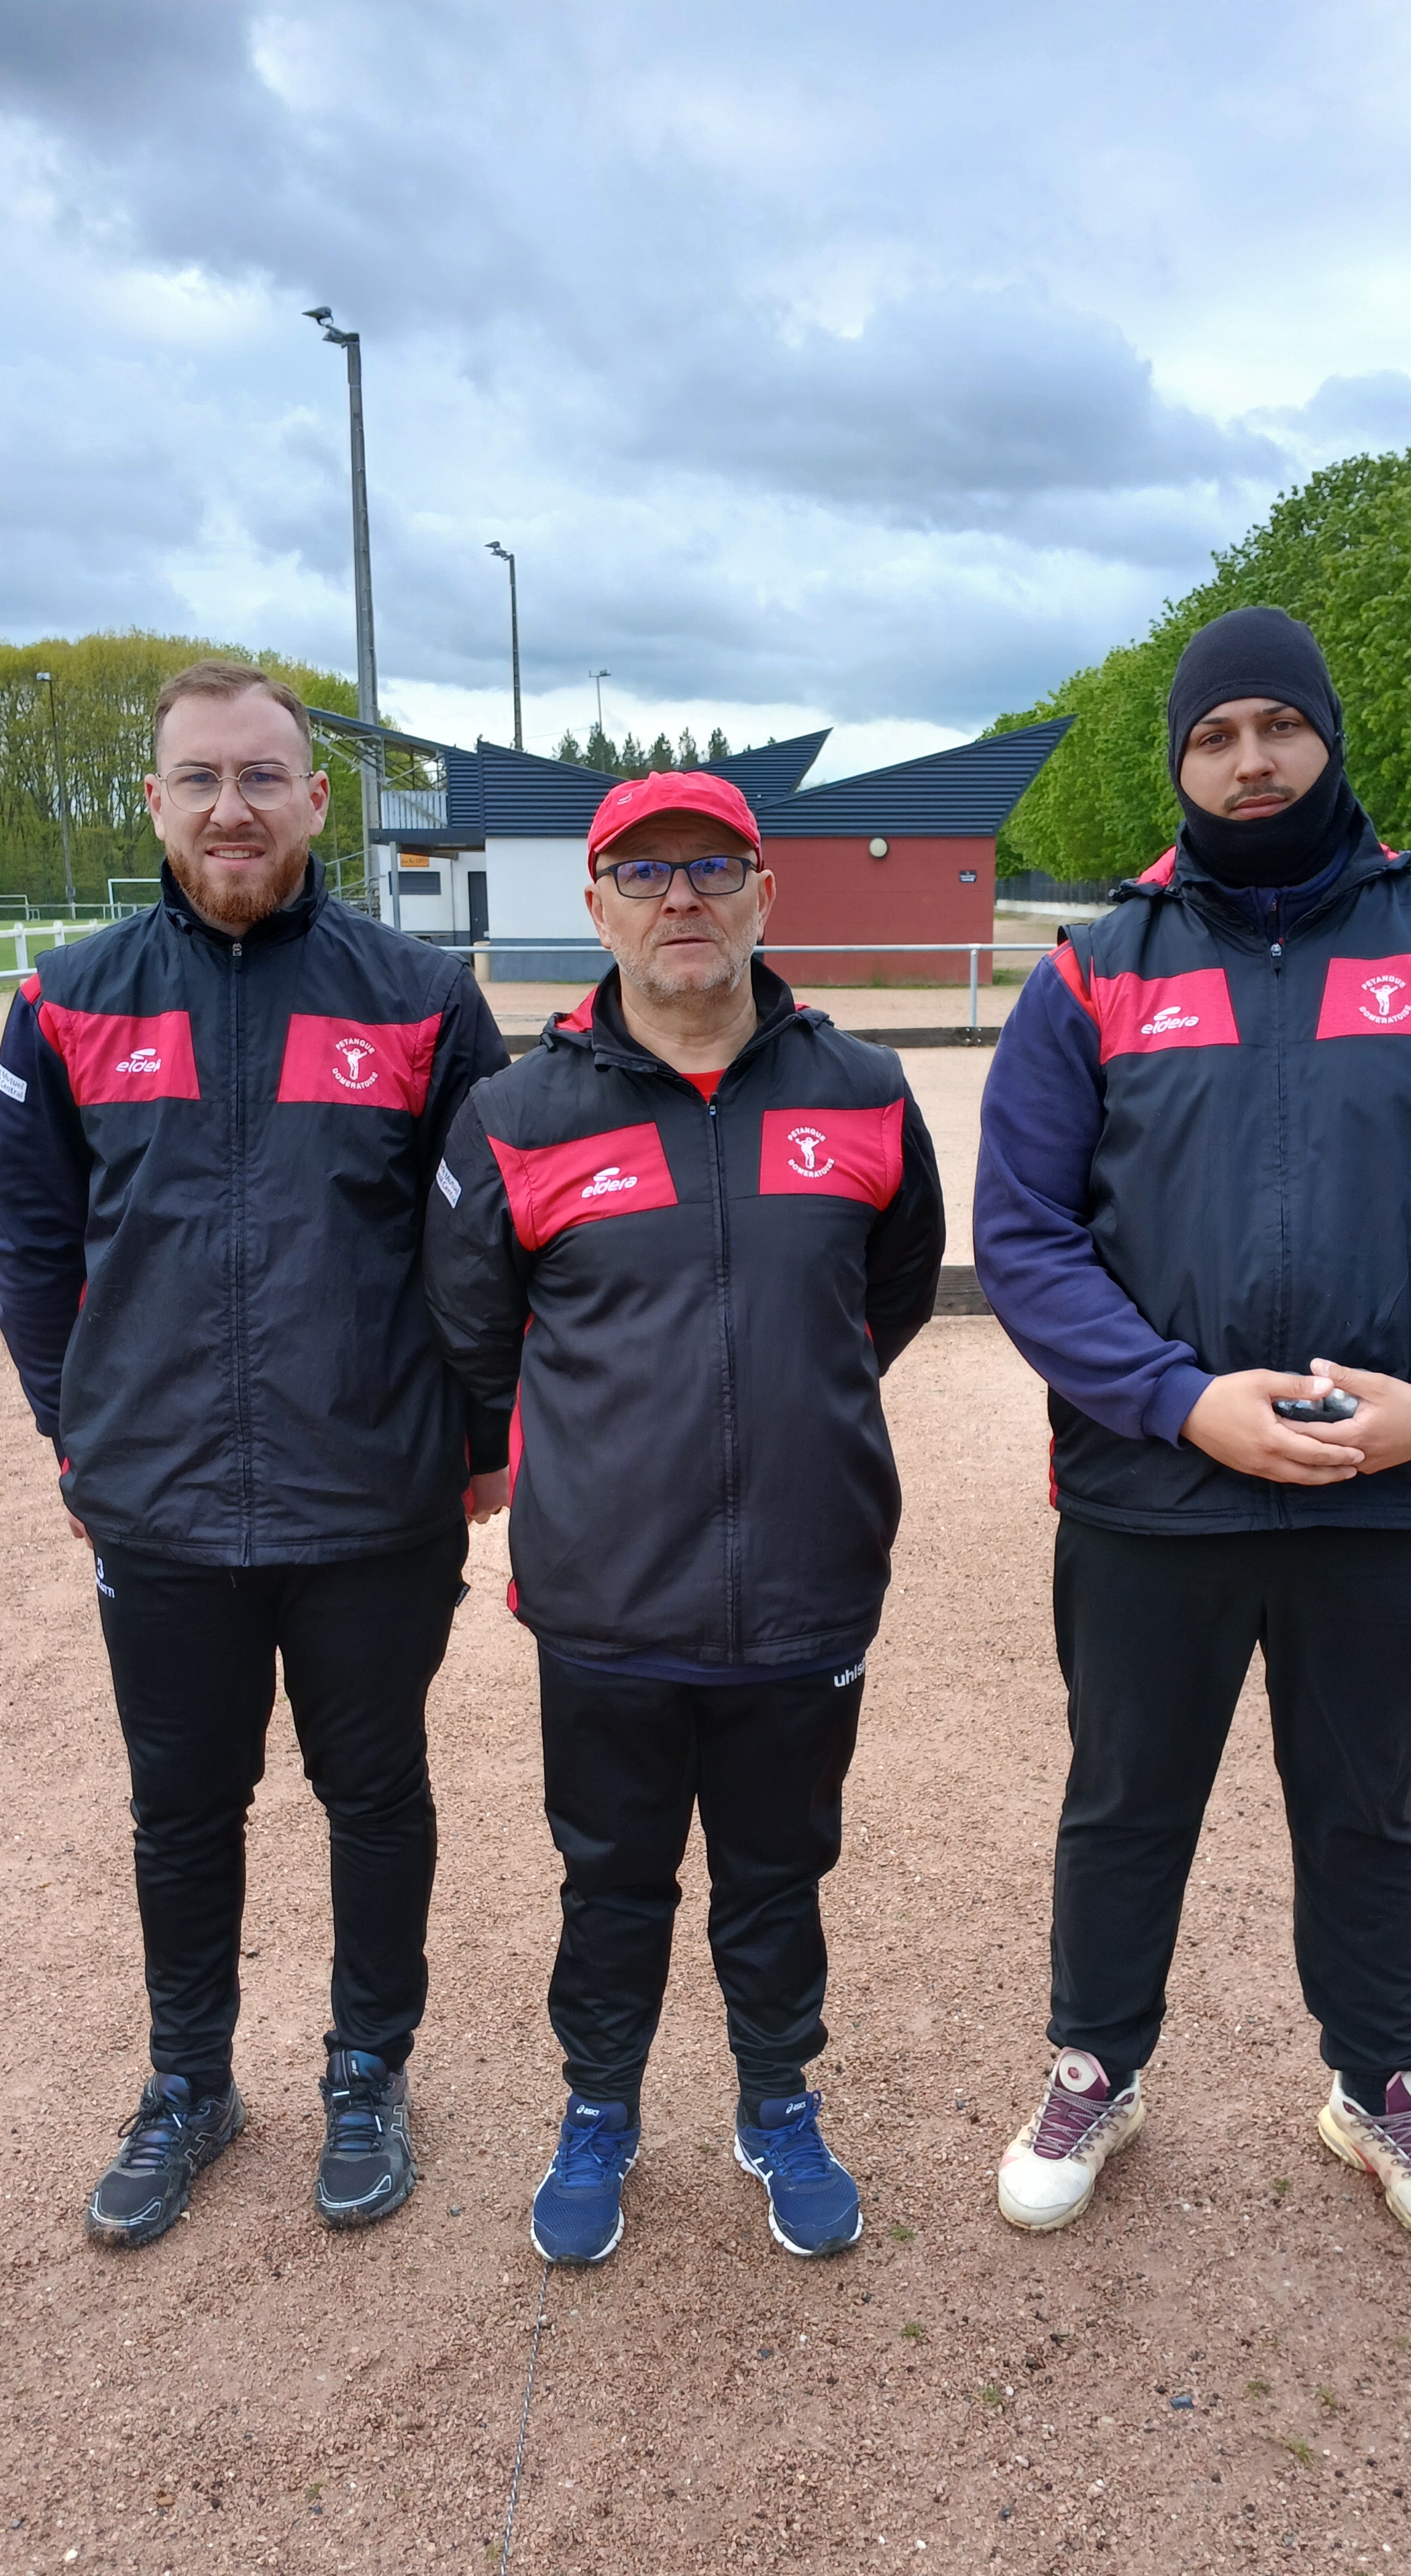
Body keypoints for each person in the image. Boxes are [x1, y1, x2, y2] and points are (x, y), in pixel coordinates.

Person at [974, 607, 1411, 2257]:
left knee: (1366, 1808)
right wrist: (1178, 1399)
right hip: (1148, 1490)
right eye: (1211, 736)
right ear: (1178, 762)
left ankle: (1375, 2081)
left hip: (1384, 1487)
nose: (1247, 761)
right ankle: (1098, 2065)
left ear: (1327, 737)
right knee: (1126, 1800)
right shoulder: (1093, 968)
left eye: (1276, 726)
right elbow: (1028, 1232)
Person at [0, 658, 511, 2248]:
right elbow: (29, 1245)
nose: (232, 807)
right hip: (156, 1505)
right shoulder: (67, 1000)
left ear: (314, 799)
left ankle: (369, 2070)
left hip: (374, 1500)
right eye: (200, 778)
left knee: (376, 1795)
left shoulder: (420, 999)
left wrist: (479, 1445)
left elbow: (487, 1248)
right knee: (181, 1808)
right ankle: (190, 2085)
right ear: (151, 801)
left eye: (263, 777)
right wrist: (74, 1437)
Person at [423, 769, 945, 2264]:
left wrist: (797, 1415)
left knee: (780, 1878)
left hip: (807, 1587)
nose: (682, 900)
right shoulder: (514, 1117)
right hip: (606, 1604)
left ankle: (777, 2101)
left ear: (765, 894)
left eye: (714, 868)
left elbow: (886, 1300)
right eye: (644, 876)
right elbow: (473, 1331)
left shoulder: (863, 1093)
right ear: (594, 907)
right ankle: (600, 2108)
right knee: (612, 1883)